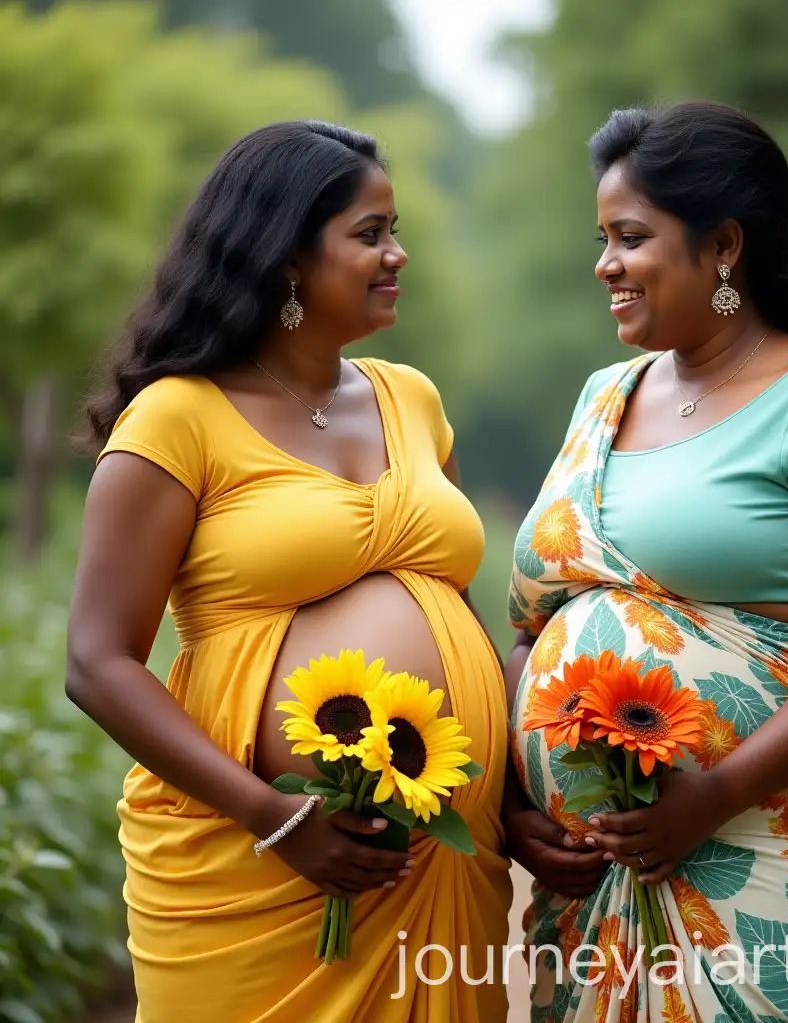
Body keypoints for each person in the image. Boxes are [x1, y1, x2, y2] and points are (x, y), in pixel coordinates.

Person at [66, 120, 511, 1023]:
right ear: (288, 259)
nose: (398, 254)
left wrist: (523, 798)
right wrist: (275, 816)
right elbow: (97, 662)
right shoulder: (178, 418)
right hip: (257, 862)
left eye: (394, 230)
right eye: (370, 233)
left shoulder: (412, 399)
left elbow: (457, 612)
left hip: (440, 863)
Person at [503, 101, 788, 1022]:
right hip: (601, 876)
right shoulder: (605, 395)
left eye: (630, 238)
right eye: (602, 239)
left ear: (725, 245)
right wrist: (516, 806)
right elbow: (540, 625)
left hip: (772, 849)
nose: (605, 264)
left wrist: (712, 796)